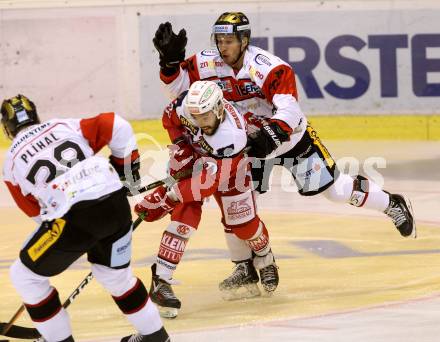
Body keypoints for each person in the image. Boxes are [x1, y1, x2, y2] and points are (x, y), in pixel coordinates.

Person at [151, 11, 416, 296]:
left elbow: (290, 110)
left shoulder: (269, 68)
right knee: (235, 206)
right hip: (244, 144)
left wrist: (271, 133)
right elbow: (179, 93)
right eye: (219, 40)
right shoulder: (206, 62)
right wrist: (169, 64)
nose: (223, 47)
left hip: (289, 140)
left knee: (336, 191)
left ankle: (391, 203)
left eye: (229, 40)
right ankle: (244, 266)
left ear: (244, 40)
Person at [1, 95, 170, 342]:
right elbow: (117, 124)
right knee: (116, 277)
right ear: (36, 116)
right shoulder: (62, 126)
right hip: (115, 204)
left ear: (7, 129)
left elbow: (38, 215)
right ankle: (156, 337)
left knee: (25, 276)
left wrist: (80, 236)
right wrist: (125, 172)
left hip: (73, 219)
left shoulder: (10, 161)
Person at [134, 81, 279, 318]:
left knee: (243, 226)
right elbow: (169, 119)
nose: (200, 122)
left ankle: (265, 258)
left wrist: (166, 197)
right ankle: (161, 280)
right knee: (185, 215)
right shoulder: (183, 107)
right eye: (195, 117)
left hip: (231, 168)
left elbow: (205, 184)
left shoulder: (230, 137)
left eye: (205, 117)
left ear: (219, 109)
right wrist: (182, 146)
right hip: (195, 157)